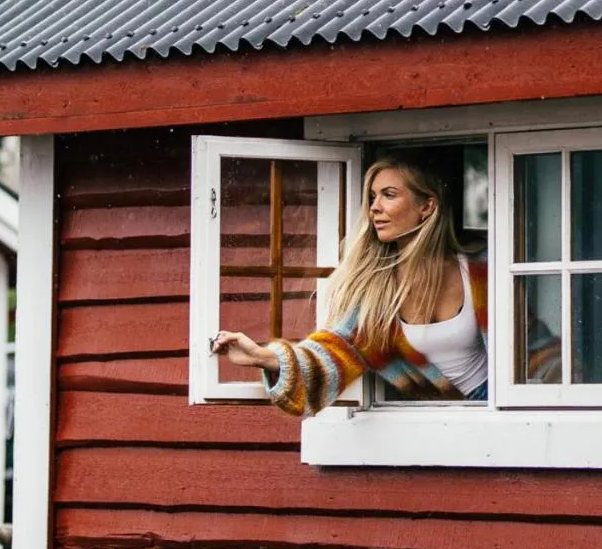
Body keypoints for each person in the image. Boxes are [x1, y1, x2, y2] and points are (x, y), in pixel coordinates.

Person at [212, 154, 497, 417]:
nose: (374, 208)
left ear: (427, 206)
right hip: (420, 416)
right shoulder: (373, 289)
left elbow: (530, 348)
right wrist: (263, 356)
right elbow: (331, 351)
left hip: (492, 407)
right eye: (372, 196)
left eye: (389, 195)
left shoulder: (480, 267)